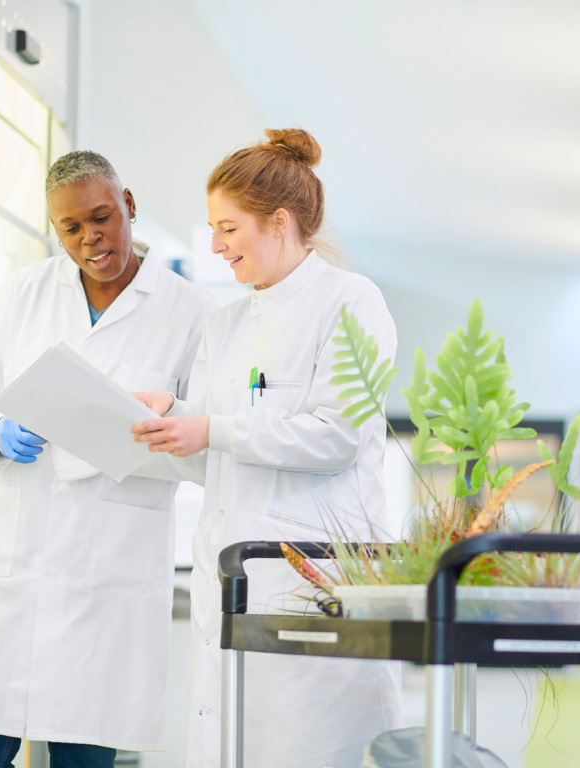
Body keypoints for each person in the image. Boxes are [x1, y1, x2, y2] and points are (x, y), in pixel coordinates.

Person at [0, 151, 217, 768]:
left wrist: (153, 425)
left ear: (128, 205)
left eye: (101, 217)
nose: (89, 239)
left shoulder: (191, 313)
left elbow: (203, 445)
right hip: (10, 568)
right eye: (70, 228)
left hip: (106, 580)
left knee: (82, 759)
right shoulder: (27, 291)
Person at [131, 129, 402, 768]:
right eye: (212, 230)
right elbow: (211, 458)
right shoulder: (223, 325)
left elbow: (340, 434)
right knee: (229, 744)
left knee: (307, 746)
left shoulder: (350, 301)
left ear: (279, 223)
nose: (217, 247)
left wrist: (214, 428)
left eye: (229, 229)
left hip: (313, 579)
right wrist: (173, 424)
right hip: (229, 575)